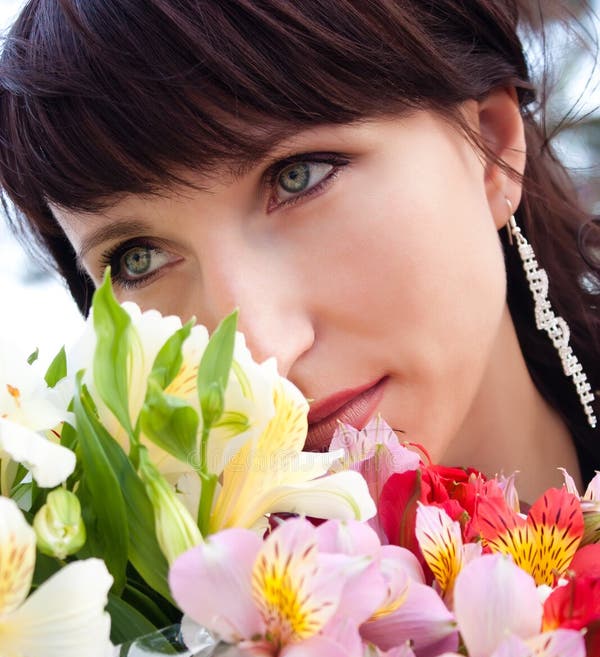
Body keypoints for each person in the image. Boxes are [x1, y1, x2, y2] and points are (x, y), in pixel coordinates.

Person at [0, 0, 598, 500]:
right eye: (139, 258)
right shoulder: (145, 638)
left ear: (491, 148)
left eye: (299, 176)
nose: (262, 353)